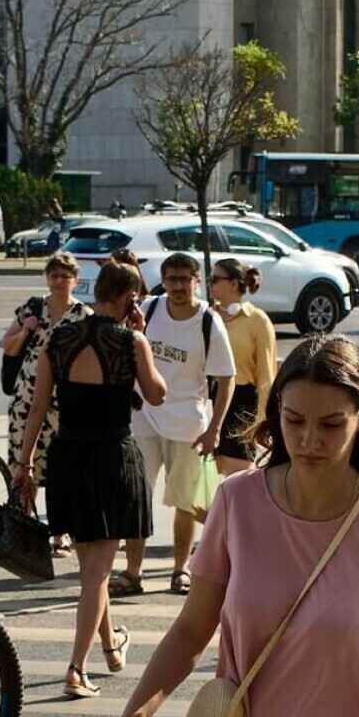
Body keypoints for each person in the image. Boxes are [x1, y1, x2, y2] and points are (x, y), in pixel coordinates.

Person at [113, 336, 359, 717]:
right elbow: (191, 630)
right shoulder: (236, 502)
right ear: (278, 411)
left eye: (331, 424)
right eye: (295, 420)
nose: (309, 440)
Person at [14, 259, 168, 698]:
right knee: (96, 575)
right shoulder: (131, 340)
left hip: (67, 458)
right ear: (129, 298)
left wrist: (24, 466)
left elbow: (38, 407)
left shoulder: (58, 339)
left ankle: (111, 645)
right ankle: (77, 669)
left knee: (90, 571)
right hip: (112, 459)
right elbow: (157, 394)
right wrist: (143, 340)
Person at [115, 252, 235, 597]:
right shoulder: (149, 310)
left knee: (185, 503)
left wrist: (215, 430)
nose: (179, 286)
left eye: (186, 279)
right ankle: (132, 572)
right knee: (136, 497)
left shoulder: (209, 322)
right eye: (172, 279)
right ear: (163, 281)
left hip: (189, 424)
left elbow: (226, 380)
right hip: (144, 417)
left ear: (198, 281)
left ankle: (180, 569)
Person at [1, 252, 92, 556]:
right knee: (23, 463)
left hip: (63, 401)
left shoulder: (83, 315)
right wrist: (26, 329)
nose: (58, 281)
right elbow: (8, 346)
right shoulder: (33, 307)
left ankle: (59, 532)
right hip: (26, 397)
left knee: (57, 467)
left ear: (75, 280)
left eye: (65, 276)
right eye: (53, 275)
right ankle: (28, 529)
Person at [207, 258, 277, 477]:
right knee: (206, 481)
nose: (209, 284)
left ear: (233, 284)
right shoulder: (207, 316)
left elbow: (266, 373)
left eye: (215, 279)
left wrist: (263, 419)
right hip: (209, 398)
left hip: (242, 402)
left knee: (238, 476)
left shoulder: (257, 320)